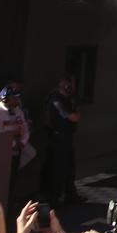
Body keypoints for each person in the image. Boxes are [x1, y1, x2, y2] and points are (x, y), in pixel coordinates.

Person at [43, 76, 80, 205]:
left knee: (69, 166)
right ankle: (54, 197)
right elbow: (73, 117)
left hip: (67, 137)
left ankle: (70, 194)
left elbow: (76, 116)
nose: (69, 87)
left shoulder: (68, 100)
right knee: (58, 167)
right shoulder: (56, 100)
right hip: (58, 138)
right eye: (66, 85)